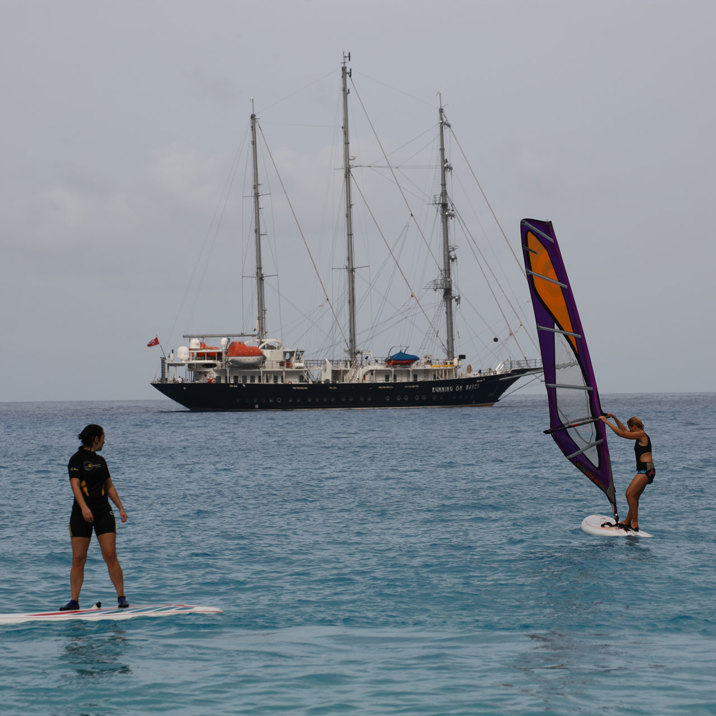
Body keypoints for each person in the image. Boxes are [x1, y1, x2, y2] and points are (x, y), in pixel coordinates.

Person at [60, 424, 129, 610]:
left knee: (110, 555)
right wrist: (84, 508)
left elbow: (109, 486)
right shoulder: (76, 459)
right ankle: (74, 601)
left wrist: (121, 508)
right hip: (81, 513)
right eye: (103, 437)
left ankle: (121, 597)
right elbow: (75, 485)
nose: (105, 440)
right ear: (95, 438)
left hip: (103, 511)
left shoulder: (101, 460)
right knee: (79, 558)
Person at [599, 413, 655, 532]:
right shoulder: (638, 434)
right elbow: (624, 430)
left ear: (635, 426)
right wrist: (614, 417)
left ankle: (634, 523)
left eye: (630, 427)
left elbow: (623, 434)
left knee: (629, 494)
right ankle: (628, 521)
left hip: (646, 471)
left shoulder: (641, 434)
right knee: (634, 497)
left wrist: (606, 422)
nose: (629, 429)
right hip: (645, 470)